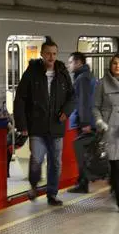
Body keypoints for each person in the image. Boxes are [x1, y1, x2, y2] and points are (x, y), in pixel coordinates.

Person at [13, 36, 75, 206]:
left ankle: (52, 194)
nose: (51, 57)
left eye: (54, 54)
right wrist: (22, 126)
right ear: (42, 54)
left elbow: (72, 96)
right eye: (48, 53)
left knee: (55, 162)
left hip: (56, 127)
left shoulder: (62, 73)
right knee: (36, 159)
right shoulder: (31, 73)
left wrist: (67, 111)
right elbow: (20, 99)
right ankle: (33, 186)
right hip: (37, 126)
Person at [67, 52, 96, 194]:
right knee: (86, 153)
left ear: (79, 63)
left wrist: (84, 122)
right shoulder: (87, 76)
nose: (69, 65)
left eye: (71, 62)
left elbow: (84, 102)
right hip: (87, 120)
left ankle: (83, 184)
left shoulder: (82, 79)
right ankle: (83, 181)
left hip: (83, 122)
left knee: (82, 154)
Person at [92, 53, 119, 206]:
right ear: (110, 65)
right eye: (115, 63)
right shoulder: (102, 84)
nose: (117, 66)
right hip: (109, 129)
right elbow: (95, 107)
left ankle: (115, 188)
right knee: (115, 165)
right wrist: (99, 121)